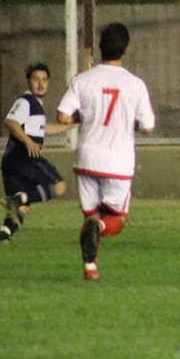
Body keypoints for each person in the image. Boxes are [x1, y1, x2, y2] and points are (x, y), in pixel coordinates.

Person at [57, 23, 155, 281]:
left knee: (90, 215)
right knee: (116, 220)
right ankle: (98, 228)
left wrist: (87, 117)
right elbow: (148, 127)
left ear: (100, 47)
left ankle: (90, 267)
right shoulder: (136, 84)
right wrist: (129, 120)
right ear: (126, 49)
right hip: (118, 163)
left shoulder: (82, 79)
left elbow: (63, 116)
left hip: (87, 157)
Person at [0, 62, 76, 242]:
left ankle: (3, 236)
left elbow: (43, 128)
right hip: (24, 158)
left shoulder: (35, 105)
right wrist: (28, 141)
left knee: (23, 207)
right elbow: (10, 121)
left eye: (44, 80)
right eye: (35, 79)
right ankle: (16, 200)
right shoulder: (26, 102)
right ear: (28, 81)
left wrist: (70, 126)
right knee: (59, 186)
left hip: (10, 162)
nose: (40, 84)